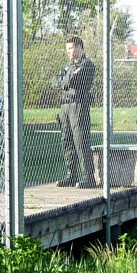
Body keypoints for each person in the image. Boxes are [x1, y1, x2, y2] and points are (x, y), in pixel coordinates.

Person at [53, 36, 97, 189]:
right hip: (65, 107)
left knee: (81, 141)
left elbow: (72, 81)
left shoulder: (87, 64)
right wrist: (66, 79)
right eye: (67, 49)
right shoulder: (68, 66)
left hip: (79, 105)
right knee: (67, 141)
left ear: (80, 47)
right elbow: (55, 82)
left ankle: (89, 177)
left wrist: (65, 80)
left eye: (71, 48)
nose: (69, 52)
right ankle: (71, 175)